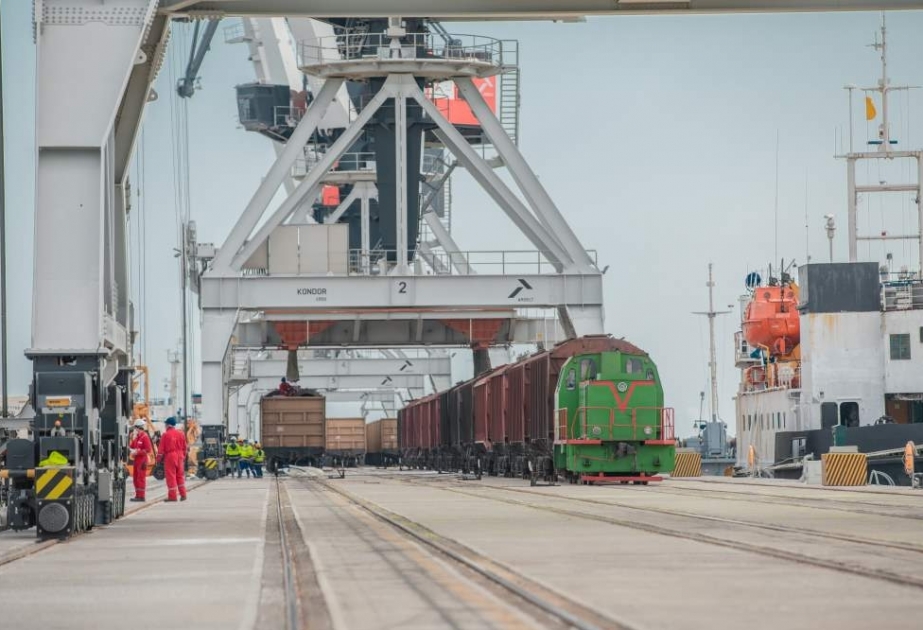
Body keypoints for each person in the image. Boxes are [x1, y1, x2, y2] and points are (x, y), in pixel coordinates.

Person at [156, 417, 188, 502]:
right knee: (180, 476)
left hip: (170, 456)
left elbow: (161, 449)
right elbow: (185, 448)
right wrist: (183, 456)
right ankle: (183, 494)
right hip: (180, 456)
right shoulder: (181, 434)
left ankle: (173, 497)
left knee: (171, 476)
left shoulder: (165, 435)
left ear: (167, 425)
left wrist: (158, 460)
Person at [129, 419, 153, 502]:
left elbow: (148, 449)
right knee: (135, 478)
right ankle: (137, 495)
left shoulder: (145, 437)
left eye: (135, 428)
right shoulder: (137, 438)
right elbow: (131, 446)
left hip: (142, 460)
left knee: (140, 478)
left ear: (138, 428)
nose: (135, 430)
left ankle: (141, 496)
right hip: (137, 460)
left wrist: (138, 452)